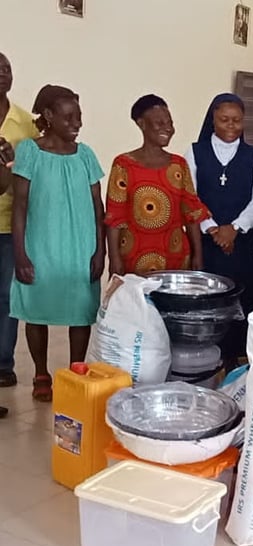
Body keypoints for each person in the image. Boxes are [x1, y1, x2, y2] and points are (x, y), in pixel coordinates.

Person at [11, 85, 105, 402]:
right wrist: (20, 253)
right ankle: (41, 373)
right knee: (37, 310)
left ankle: (76, 369)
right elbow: (21, 206)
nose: (76, 123)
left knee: (80, 311)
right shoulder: (29, 151)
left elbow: (97, 206)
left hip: (81, 245)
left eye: (79, 117)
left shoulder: (86, 154)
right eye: (68, 117)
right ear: (49, 117)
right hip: (41, 244)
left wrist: (100, 250)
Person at [185, 93, 253, 366]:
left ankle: (234, 360)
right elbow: (190, 196)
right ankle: (205, 359)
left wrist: (234, 228)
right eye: (224, 120)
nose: (231, 126)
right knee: (207, 303)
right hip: (206, 246)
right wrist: (212, 229)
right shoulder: (195, 152)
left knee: (240, 304)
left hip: (241, 247)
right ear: (213, 119)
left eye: (237, 120)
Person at [105, 95, 209, 275]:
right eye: (159, 123)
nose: (167, 128)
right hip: (134, 258)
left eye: (170, 123)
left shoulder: (179, 165)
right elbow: (115, 216)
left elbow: (191, 213)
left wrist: (197, 255)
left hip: (175, 257)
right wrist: (114, 259)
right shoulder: (123, 164)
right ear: (141, 124)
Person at [0, 52, 38, 389]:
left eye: (7, 69)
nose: (2, 74)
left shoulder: (25, 124)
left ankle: (3, 363)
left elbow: (35, 174)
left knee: (5, 295)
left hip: (10, 224)